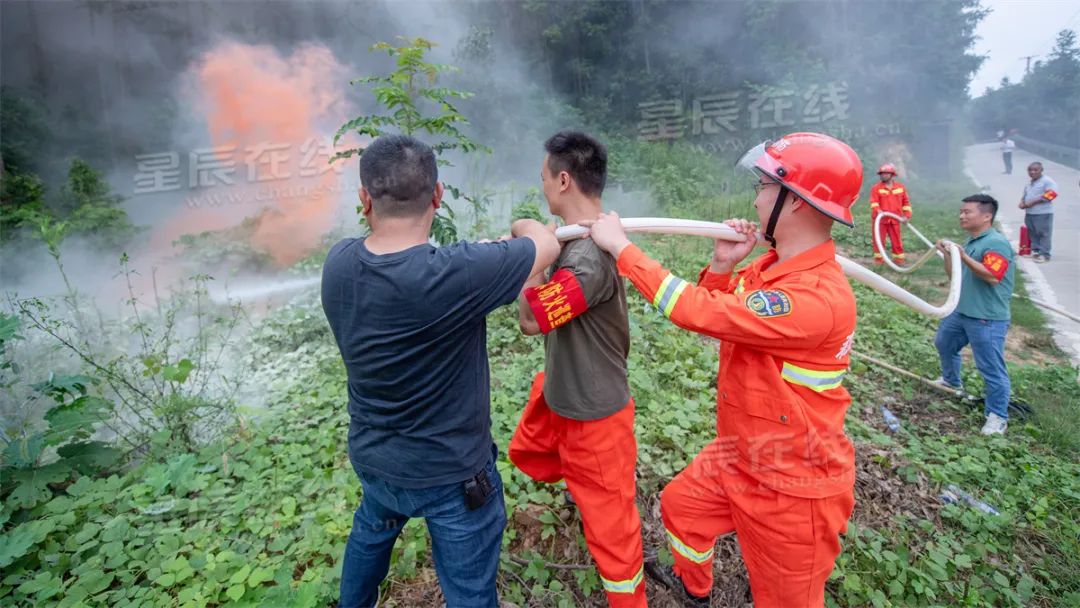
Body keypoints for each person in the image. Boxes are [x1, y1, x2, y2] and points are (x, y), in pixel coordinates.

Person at [584, 132, 860, 608]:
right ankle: (697, 591)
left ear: (794, 203)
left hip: (792, 487)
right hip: (740, 453)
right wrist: (722, 265)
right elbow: (723, 318)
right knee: (682, 508)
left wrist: (623, 251)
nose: (756, 199)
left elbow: (695, 311)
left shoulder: (817, 299)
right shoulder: (773, 271)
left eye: (765, 187)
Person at [321, 135, 560, 608]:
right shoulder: (457, 273)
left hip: (376, 461)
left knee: (370, 536)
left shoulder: (339, 263)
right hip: (451, 476)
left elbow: (428, 272)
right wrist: (516, 235)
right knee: (469, 593)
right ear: (437, 195)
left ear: (365, 199)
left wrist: (487, 261)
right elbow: (545, 243)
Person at [510, 131, 646, 607]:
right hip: (566, 396)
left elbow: (531, 321)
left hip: (596, 421)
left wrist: (532, 246)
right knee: (530, 450)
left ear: (563, 179)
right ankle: (579, 494)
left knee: (615, 539)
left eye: (545, 178)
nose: (543, 186)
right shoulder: (579, 242)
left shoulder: (586, 258)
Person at [934, 194, 1015, 436]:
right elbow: (954, 275)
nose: (962, 215)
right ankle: (951, 380)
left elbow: (992, 275)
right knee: (944, 343)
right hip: (962, 311)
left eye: (968, 212)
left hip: (986, 317)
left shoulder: (996, 243)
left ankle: (998, 415)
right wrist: (950, 254)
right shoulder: (972, 241)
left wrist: (964, 255)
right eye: (961, 211)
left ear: (987, 215)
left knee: (990, 366)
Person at [868, 163, 912, 265]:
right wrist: (878, 211)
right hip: (880, 220)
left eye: (886, 174)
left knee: (897, 241)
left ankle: (899, 260)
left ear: (892, 175)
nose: (883, 175)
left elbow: (906, 203)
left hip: (895, 219)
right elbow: (874, 203)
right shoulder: (876, 188)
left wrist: (906, 216)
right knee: (879, 241)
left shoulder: (900, 187)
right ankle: (879, 262)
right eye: (882, 174)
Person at [1019, 161, 1058, 263]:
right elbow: (1025, 195)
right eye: (1030, 170)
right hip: (1030, 212)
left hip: (1043, 213)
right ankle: (1035, 251)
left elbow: (1052, 194)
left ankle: (1045, 254)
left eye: (1035, 170)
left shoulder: (1047, 181)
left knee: (1044, 233)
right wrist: (1022, 202)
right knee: (1032, 232)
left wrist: (1033, 202)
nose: (1032, 172)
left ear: (1041, 170)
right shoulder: (1030, 183)